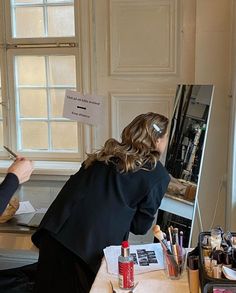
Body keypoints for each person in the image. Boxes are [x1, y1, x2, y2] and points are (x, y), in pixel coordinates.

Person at [31, 112, 171, 293]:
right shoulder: (157, 175)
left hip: (55, 235)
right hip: (87, 252)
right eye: (166, 137)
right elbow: (140, 226)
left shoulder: (104, 155)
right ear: (158, 140)